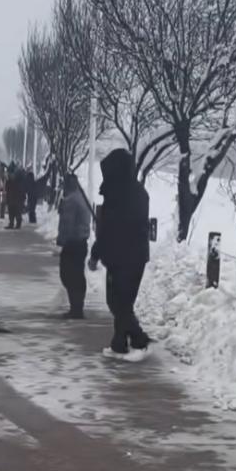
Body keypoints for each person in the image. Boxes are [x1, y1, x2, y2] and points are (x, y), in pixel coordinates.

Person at [88, 147, 151, 356]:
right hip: (128, 256)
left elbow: (111, 227)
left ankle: (135, 338)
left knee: (119, 303)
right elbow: (109, 227)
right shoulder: (131, 192)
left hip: (126, 256)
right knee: (120, 302)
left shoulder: (124, 194)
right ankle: (123, 339)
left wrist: (97, 252)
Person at [56, 173, 93, 319]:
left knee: (69, 275)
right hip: (81, 242)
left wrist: (61, 239)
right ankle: (77, 307)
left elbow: (67, 223)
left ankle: (76, 308)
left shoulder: (71, 200)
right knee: (76, 275)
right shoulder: (81, 198)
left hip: (73, 242)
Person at [5, 164, 26, 230]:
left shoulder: (19, 181)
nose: (9, 175)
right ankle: (11, 223)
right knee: (11, 211)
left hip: (18, 198)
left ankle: (18, 224)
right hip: (12, 198)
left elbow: (22, 189)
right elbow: (7, 189)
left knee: (17, 211)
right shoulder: (9, 180)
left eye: (10, 174)